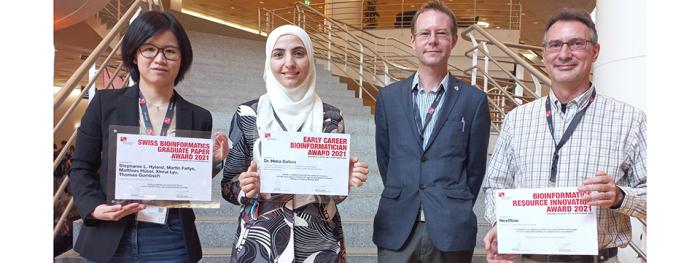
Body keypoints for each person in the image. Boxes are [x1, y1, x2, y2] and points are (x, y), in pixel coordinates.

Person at [482, 8, 647, 263]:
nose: (564, 54)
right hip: (528, 259)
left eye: (576, 44)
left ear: (595, 51)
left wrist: (619, 197)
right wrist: (501, 223)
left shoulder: (629, 120)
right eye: (555, 45)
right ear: (545, 54)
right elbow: (495, 184)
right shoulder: (517, 120)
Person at [69, 11, 228, 263]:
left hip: (170, 236)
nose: (159, 59)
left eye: (170, 51)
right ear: (135, 54)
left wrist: (213, 161)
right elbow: (81, 167)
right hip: (112, 233)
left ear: (181, 58)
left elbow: (186, 177)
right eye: (149, 49)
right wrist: (94, 207)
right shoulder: (104, 104)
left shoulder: (199, 117)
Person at [221, 24, 369, 262]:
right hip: (261, 243)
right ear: (268, 61)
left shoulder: (331, 117)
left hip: (319, 242)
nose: (289, 63)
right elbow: (228, 186)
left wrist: (345, 180)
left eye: (298, 53)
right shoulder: (248, 114)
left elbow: (333, 195)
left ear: (310, 59)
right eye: (279, 54)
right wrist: (245, 187)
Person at [372, 1, 491, 262]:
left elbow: (475, 169)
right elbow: (385, 159)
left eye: (441, 33)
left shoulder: (473, 101)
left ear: (454, 40)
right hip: (397, 227)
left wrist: (454, 205)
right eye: (425, 33)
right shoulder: (388, 98)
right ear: (413, 40)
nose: (432, 40)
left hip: (450, 227)